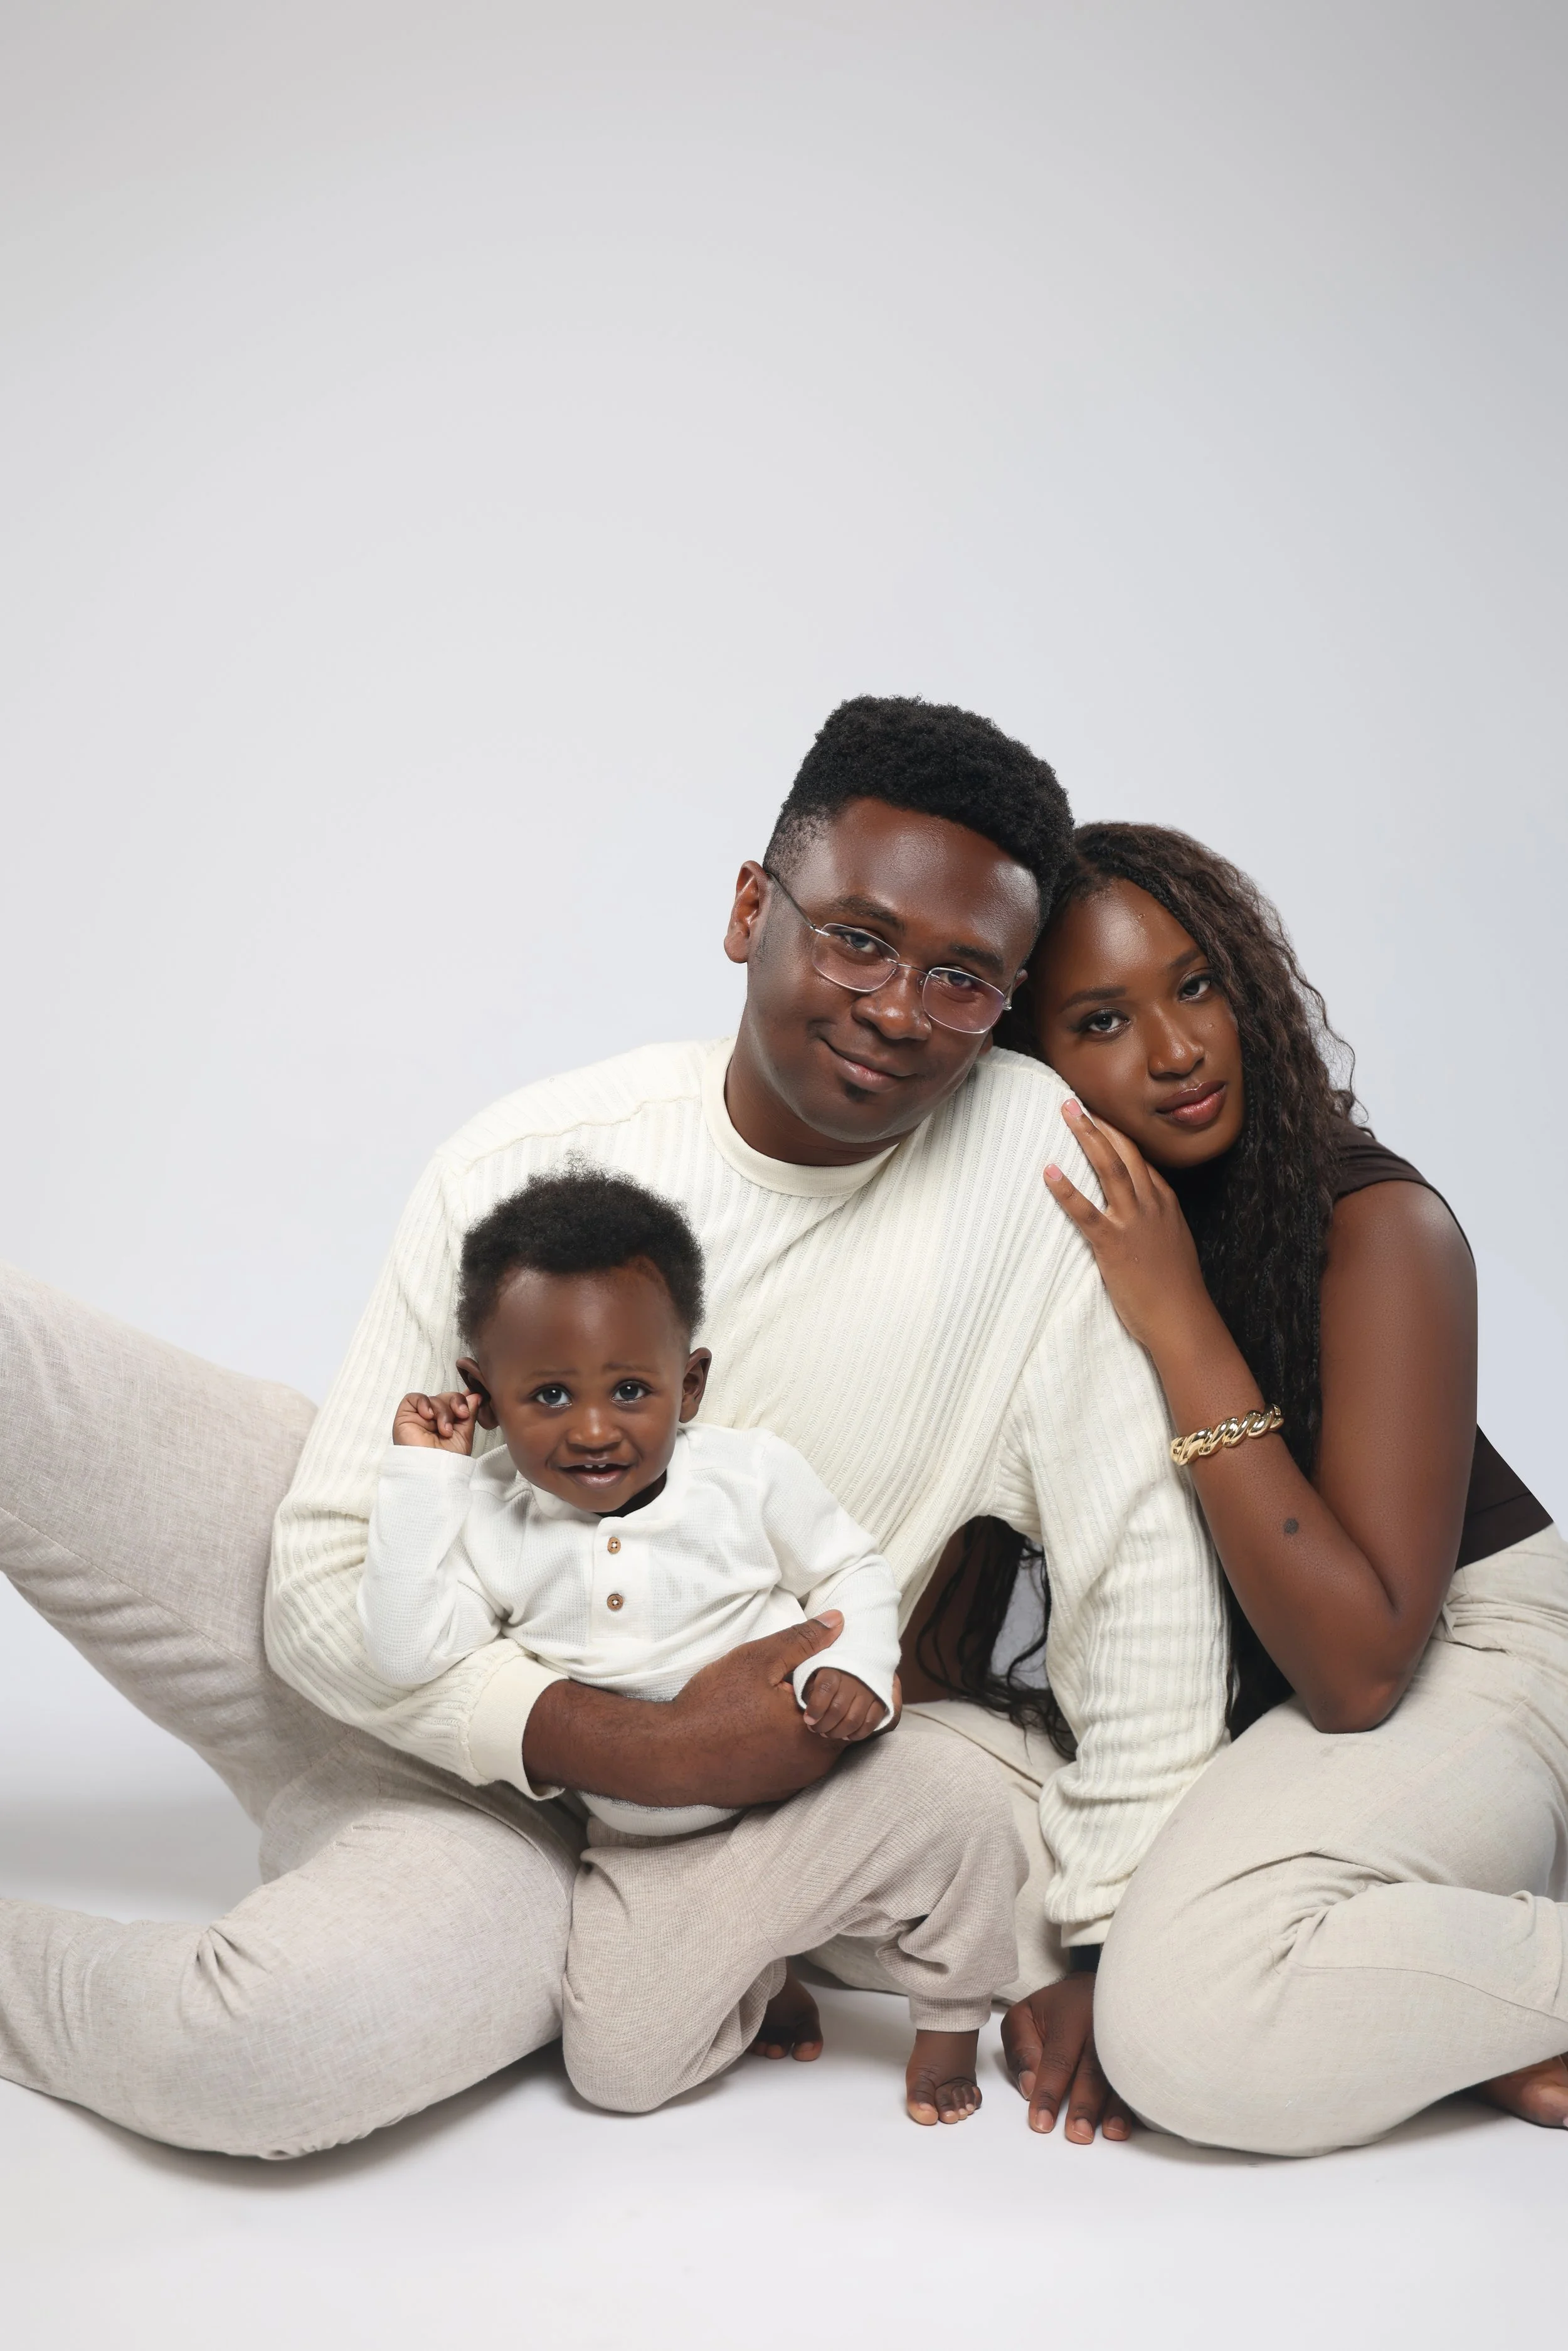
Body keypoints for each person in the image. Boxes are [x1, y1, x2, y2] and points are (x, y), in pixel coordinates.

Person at [0, 697, 1225, 2158]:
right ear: (748, 909)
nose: (898, 1008)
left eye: (963, 979)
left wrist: (1094, 1936)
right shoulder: (537, 1150)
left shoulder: (1033, 1174)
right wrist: (617, 1737)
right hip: (400, 1604)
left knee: (262, 2058)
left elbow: (1134, 1582)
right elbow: (324, 1586)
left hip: (566, 1851)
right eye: (856, 937)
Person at [929, 819, 1565, 2155]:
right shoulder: (1047, 1243)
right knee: (884, 1811)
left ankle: (1487, 1990)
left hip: (1467, 1650)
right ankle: (1436, 2006)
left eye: (1195, 983)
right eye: (1101, 1018)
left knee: (1187, 2030)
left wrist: (1182, 1326)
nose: (1173, 1049)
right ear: (1026, 1064)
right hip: (1249, 1702)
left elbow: (1355, 1672)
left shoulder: (1374, 1222)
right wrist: (1070, 1939)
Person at [361, 1165, 1021, 2125]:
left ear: (692, 1383)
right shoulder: (489, 1517)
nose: (595, 1430)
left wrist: (852, 1669)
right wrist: (425, 1479)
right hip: (648, 1847)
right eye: (548, 1394)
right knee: (617, 2078)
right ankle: (756, 1967)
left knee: (958, 1797)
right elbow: (407, 1650)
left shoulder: (747, 1475)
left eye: (632, 1389)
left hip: (815, 1796)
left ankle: (952, 2022)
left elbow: (852, 1573)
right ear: (486, 1397)